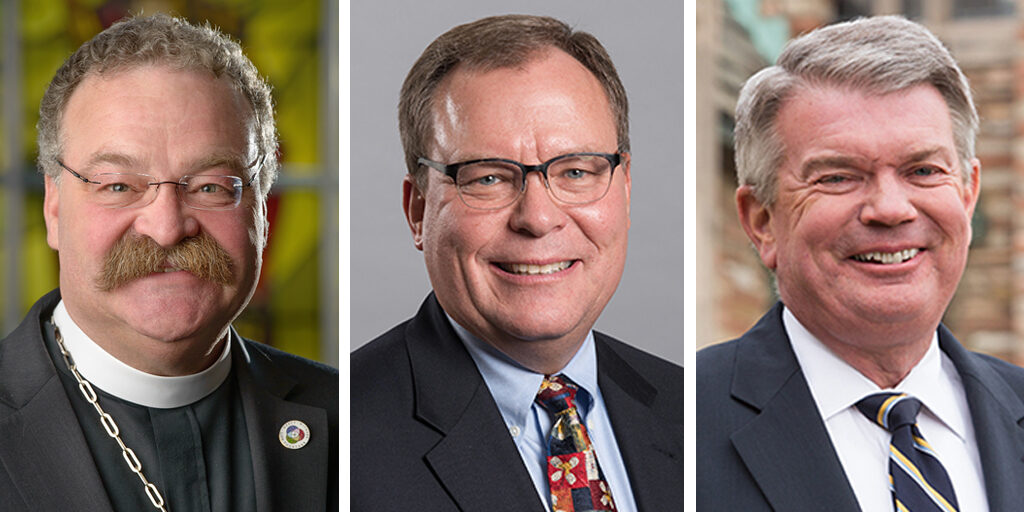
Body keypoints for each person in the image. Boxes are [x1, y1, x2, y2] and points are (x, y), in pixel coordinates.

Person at [0, 14, 337, 511]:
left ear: (263, 208)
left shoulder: (352, 417)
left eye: (210, 187)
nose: (167, 227)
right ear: (54, 206)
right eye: (118, 186)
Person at [351, 14, 684, 512]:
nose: (538, 217)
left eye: (575, 171)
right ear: (418, 209)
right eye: (487, 178)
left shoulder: (687, 408)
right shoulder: (343, 441)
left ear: (625, 189)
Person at [697, 15, 1024, 511]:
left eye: (923, 170)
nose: (891, 209)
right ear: (762, 220)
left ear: (967, 195)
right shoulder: (683, 426)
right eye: (837, 177)